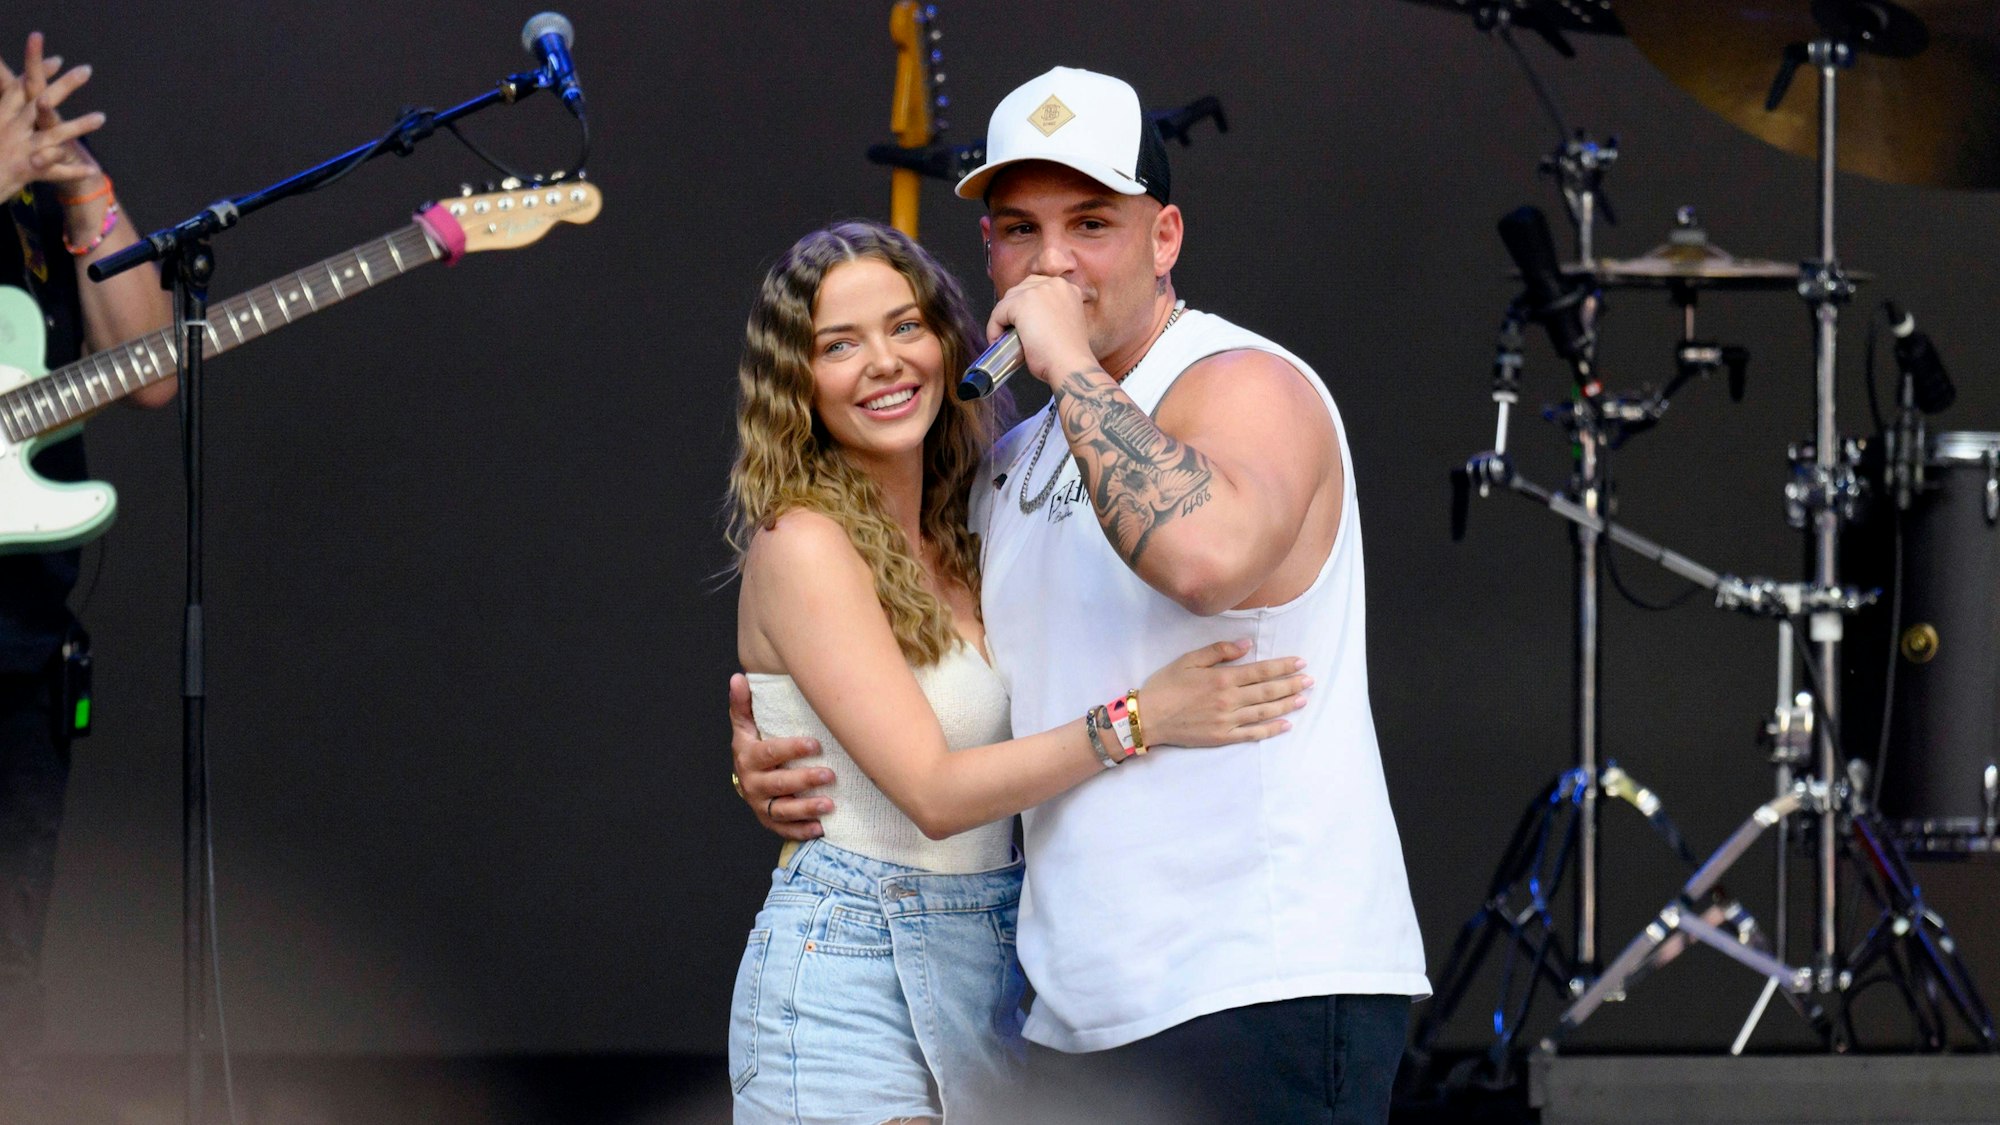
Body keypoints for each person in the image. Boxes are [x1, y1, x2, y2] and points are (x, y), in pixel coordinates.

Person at [732, 68, 1428, 1123]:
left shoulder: (1242, 381)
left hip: (1253, 978)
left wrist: (1064, 363)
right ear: (990, 255)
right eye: (1020, 230)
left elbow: (1203, 560)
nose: (1052, 261)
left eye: (1091, 223)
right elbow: (948, 699)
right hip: (1069, 1013)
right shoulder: (1015, 461)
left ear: (1165, 237)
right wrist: (786, 751)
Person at [1, 30, 174, 1105]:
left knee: (10, 960)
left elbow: (148, 369)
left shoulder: (31, 189)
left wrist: (80, 187)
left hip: (21, 630)